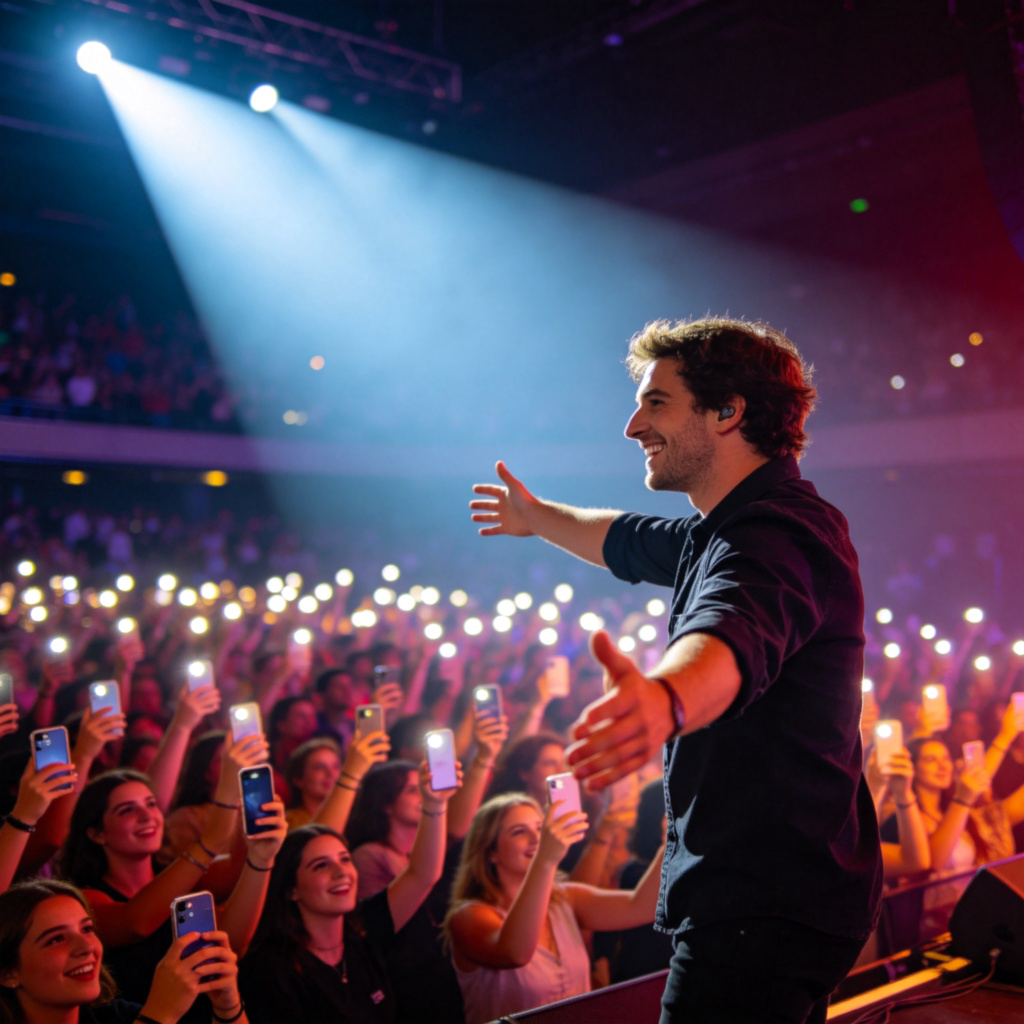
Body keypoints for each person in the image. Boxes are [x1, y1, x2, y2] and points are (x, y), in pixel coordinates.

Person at [470, 316, 883, 1023]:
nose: (634, 426)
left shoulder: (774, 535)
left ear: (728, 412)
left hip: (759, 910)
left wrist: (666, 700)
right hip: (785, 901)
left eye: (656, 403)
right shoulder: (726, 529)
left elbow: (731, 632)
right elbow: (623, 539)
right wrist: (537, 518)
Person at [238, 760, 460, 1024]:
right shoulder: (273, 969)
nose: (341, 872)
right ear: (291, 890)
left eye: (345, 859)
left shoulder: (364, 930)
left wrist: (435, 804)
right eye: (321, 865)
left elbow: (423, 875)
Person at [444, 793, 663, 1024]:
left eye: (540, 829)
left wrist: (670, 842)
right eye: (519, 832)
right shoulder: (468, 917)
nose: (536, 838)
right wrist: (545, 859)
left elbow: (644, 906)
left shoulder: (566, 898)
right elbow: (515, 953)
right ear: (491, 852)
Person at [0, 878, 248, 1024]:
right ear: (8, 973)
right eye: (56, 939)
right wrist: (159, 1014)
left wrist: (227, 1007)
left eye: (87, 929)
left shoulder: (115, 1017)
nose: (86, 947)